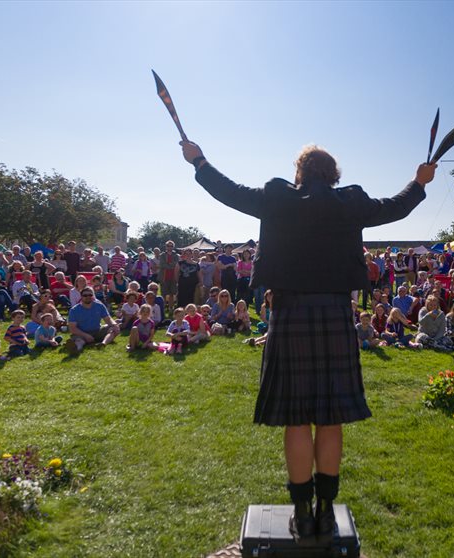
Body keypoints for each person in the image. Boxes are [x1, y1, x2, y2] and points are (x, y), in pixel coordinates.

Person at [182, 139, 431, 540]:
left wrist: (198, 161)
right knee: (330, 417)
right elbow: (395, 207)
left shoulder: (276, 197)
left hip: (290, 312)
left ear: (299, 173)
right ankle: (326, 513)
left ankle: (302, 512)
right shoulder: (349, 202)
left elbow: (227, 191)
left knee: (297, 417)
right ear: (333, 175)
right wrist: (419, 183)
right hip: (334, 313)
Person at [64, 288, 119, 354]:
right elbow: (72, 328)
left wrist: (115, 325)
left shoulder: (100, 306)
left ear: (93, 296)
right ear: (81, 297)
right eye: (85, 295)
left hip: (97, 331)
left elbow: (108, 319)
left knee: (113, 329)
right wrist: (86, 335)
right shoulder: (74, 310)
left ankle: (103, 344)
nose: (88, 297)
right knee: (79, 341)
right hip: (81, 333)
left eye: (90, 295)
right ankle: (77, 349)